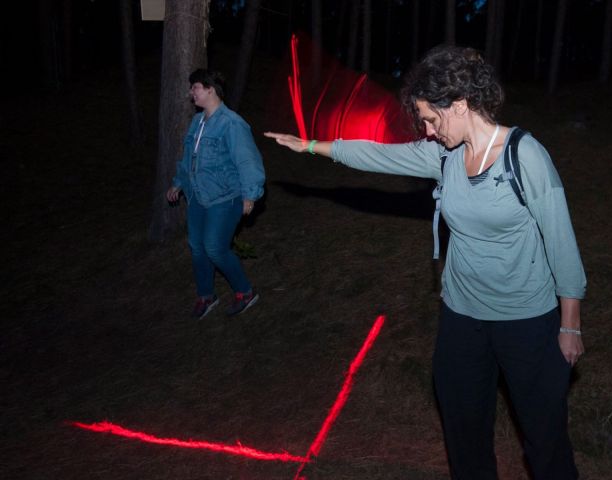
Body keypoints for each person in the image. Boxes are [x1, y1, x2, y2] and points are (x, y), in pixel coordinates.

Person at [265, 45, 585, 479]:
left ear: (458, 105)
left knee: (544, 438)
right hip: (461, 316)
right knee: (463, 430)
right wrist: (311, 147)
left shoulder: (524, 156)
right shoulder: (445, 156)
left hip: (525, 318)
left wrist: (569, 326)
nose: (429, 132)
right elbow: (378, 155)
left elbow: (562, 245)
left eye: (431, 119)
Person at [166, 69, 265, 319]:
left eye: (195, 87)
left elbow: (248, 161)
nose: (191, 93)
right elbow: (189, 158)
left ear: (210, 89)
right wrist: (178, 182)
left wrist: (250, 196)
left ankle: (245, 292)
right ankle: (206, 296)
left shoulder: (232, 124)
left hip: (225, 197)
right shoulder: (197, 122)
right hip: (199, 196)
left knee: (214, 247)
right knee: (197, 247)